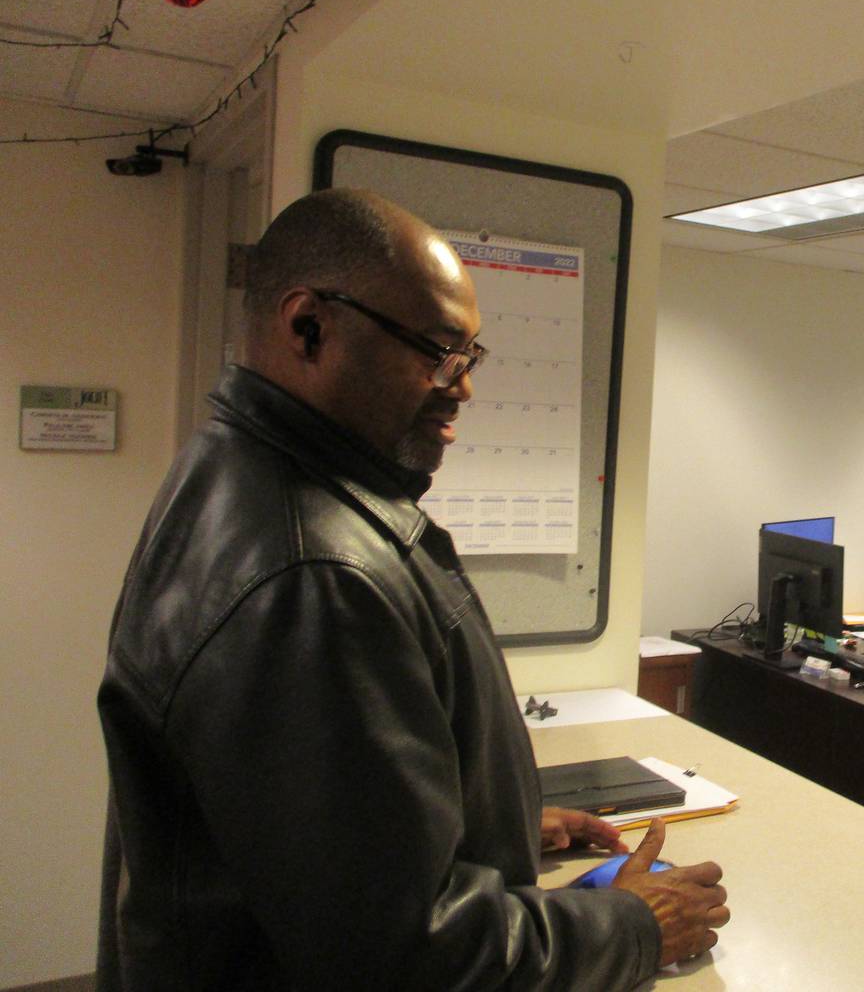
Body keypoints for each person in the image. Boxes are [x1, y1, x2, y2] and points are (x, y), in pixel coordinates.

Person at [95, 188, 728, 990]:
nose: (460, 385)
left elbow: (295, 828)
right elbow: (404, 958)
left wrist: (477, 823)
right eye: (435, 349)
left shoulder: (241, 471)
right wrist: (635, 925)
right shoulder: (313, 575)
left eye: (471, 356)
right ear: (307, 326)